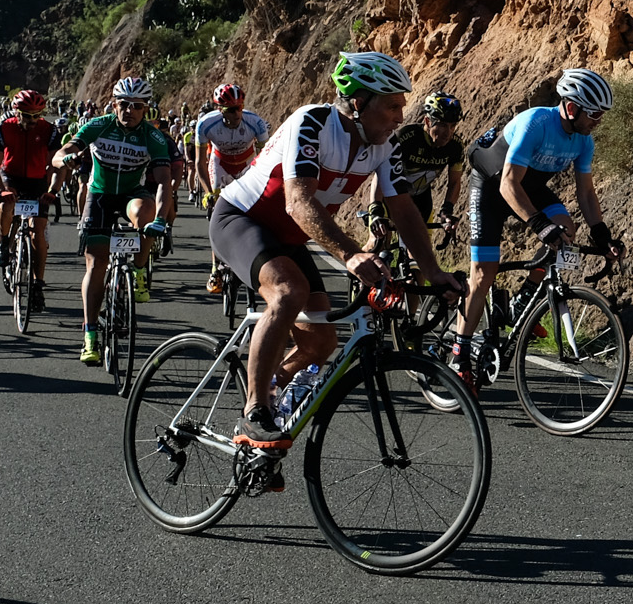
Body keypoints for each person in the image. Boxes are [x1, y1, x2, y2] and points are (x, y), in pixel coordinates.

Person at [210, 50, 456, 471]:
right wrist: (351, 254)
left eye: (402, 106)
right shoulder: (313, 122)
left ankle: (270, 393)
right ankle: (255, 412)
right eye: (391, 106)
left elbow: (404, 210)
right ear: (358, 103)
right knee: (288, 292)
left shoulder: (385, 146)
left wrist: (433, 272)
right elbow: (298, 202)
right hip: (241, 219)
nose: (400, 117)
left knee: (321, 342)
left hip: (290, 238)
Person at [453, 69, 626, 388]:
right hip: (493, 188)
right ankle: (459, 352)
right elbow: (507, 184)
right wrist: (538, 224)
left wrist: (602, 234)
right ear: (572, 108)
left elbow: (586, 193)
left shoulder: (583, 141)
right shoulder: (536, 123)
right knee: (483, 273)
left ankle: (523, 299)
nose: (598, 121)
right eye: (595, 114)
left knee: (566, 229)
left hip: (528, 187)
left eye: (602, 115)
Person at [55, 76, 176, 366]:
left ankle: (138, 269)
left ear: (146, 109)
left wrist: (161, 220)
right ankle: (90, 334)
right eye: (123, 104)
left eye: (137, 106)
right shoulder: (99, 125)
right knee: (96, 264)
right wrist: (65, 160)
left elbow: (163, 181)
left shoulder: (153, 137)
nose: (129, 110)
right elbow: (62, 153)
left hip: (131, 194)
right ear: (114, 104)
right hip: (99, 195)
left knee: (146, 213)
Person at [194, 83, 271, 293]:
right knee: (215, 213)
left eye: (239, 108)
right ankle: (215, 269)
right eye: (230, 109)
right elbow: (200, 163)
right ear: (220, 109)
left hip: (247, 163)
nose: (236, 114)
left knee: (253, 210)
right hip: (221, 164)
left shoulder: (256, 123)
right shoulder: (205, 124)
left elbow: (266, 160)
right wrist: (208, 193)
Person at [371, 90, 465, 254]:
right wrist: (375, 208)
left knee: (420, 255)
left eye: (452, 126)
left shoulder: (455, 147)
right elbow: (381, 174)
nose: (448, 133)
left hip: (421, 199)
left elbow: (455, 182)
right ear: (427, 121)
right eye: (442, 125)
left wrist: (447, 210)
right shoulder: (406, 138)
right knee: (378, 244)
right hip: (390, 196)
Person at [0, 88, 58, 302]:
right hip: (11, 176)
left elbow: (56, 165)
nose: (33, 121)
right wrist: (0, 190)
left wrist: (53, 190)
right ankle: (4, 242)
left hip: (38, 181)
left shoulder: (49, 130)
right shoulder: (4, 128)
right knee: (7, 204)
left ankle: (38, 284)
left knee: (39, 232)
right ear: (17, 112)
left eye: (37, 116)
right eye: (28, 116)